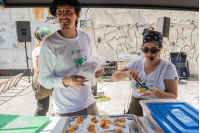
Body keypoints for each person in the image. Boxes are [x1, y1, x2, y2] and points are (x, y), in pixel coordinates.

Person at [38, 0, 104, 116]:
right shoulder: (49, 44)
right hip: (67, 109)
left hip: (90, 103)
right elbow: (44, 80)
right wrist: (66, 81)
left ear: (77, 14)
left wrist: (97, 71)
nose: (63, 15)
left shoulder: (85, 37)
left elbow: (88, 66)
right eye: (59, 11)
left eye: (68, 10)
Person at [111, 28, 178, 116]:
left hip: (158, 110)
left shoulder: (168, 67)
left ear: (160, 49)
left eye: (153, 50)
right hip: (136, 107)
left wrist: (156, 91)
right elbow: (114, 77)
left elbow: (173, 96)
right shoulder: (136, 62)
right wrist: (127, 73)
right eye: (145, 50)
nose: (149, 54)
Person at [32, 26, 53, 116]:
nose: (50, 37)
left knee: (45, 106)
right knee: (42, 108)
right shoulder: (39, 50)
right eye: (48, 35)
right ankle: (37, 124)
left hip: (46, 79)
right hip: (41, 81)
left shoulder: (44, 48)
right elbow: (38, 70)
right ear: (42, 37)